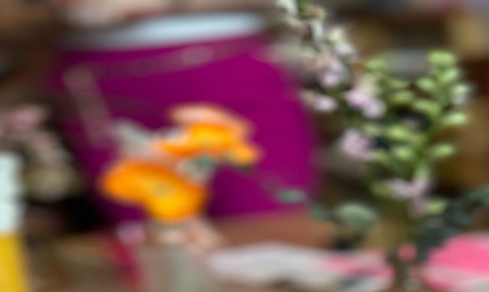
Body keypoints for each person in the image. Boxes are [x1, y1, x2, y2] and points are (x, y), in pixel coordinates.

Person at [45, 0, 318, 221]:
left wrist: (165, 3)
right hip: (93, 79)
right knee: (147, 241)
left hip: (223, 64)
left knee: (266, 224)